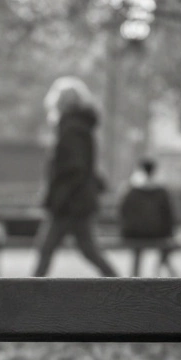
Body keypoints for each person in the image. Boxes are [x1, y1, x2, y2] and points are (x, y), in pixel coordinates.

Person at [32, 77, 118, 278]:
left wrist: (58, 196)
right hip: (79, 201)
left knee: (46, 250)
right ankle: (121, 286)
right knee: (88, 251)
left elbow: (73, 168)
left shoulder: (71, 129)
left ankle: (28, 297)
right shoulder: (81, 127)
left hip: (69, 203)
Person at [119, 158, 180, 277]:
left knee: (137, 249)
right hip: (158, 233)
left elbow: (123, 212)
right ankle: (161, 271)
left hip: (134, 233)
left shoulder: (132, 190)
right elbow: (169, 215)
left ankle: (135, 276)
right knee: (167, 244)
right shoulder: (161, 191)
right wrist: (170, 232)